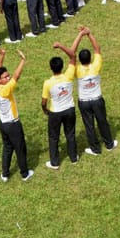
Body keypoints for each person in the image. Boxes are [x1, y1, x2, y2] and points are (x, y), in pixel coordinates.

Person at [72, 26, 119, 154]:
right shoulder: (95, 66)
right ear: (90, 58)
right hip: (97, 100)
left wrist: (80, 35)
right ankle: (109, 144)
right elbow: (97, 49)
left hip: (84, 102)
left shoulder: (77, 69)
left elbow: (72, 52)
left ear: (80, 60)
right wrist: (89, 33)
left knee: (89, 126)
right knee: (102, 121)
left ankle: (95, 149)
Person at [0, 48, 33, 181]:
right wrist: (23, 60)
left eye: (7, 75)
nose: (8, 77)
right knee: (20, 148)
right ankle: (24, 174)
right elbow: (17, 76)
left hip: (3, 124)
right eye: (5, 77)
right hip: (13, 124)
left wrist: (2, 56)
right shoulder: (6, 89)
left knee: (7, 148)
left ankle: (5, 174)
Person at [42, 40, 78, 170]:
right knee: (70, 133)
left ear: (51, 68)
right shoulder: (68, 76)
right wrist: (60, 46)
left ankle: (55, 162)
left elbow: (44, 102)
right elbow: (73, 56)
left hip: (55, 112)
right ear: (62, 66)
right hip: (69, 109)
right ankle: (74, 158)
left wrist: (45, 110)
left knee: (53, 137)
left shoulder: (48, 83)